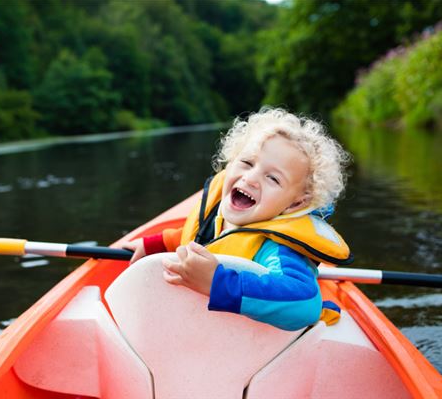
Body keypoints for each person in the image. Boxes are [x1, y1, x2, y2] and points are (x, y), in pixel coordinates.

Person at [123, 107, 353, 331]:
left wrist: (217, 282)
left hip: (250, 349)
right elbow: (200, 238)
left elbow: (304, 304)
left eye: (272, 178)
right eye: (247, 163)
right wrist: (156, 244)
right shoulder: (222, 212)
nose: (251, 178)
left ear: (295, 203)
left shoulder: (278, 249)